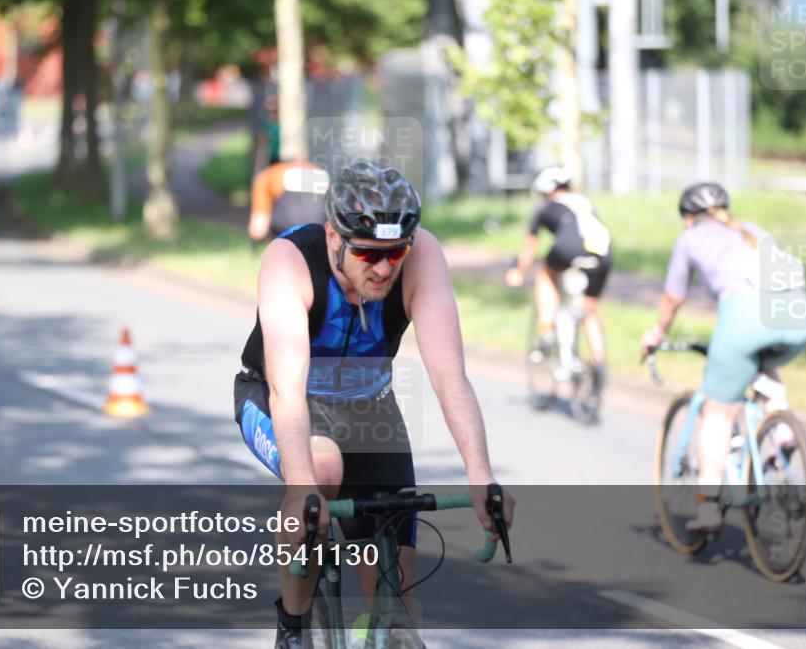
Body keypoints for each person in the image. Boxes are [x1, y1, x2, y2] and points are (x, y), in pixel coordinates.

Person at [233, 161, 515, 648]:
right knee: (320, 475)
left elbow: (450, 376)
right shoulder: (289, 261)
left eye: (395, 252)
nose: (384, 268)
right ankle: (292, 628)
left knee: (395, 588)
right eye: (367, 254)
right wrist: (302, 492)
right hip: (282, 396)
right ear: (332, 237)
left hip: (368, 408)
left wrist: (481, 476)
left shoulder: (423, 255)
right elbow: (287, 391)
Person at [640, 182, 806, 532]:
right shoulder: (753, 231)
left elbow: (674, 297)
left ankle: (708, 510)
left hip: (745, 318)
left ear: (689, 218)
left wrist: (657, 333)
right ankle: (779, 426)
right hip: (798, 315)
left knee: (716, 414)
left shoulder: (690, 238)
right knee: (761, 362)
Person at [505, 166, 612, 394]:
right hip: (603, 255)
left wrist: (519, 273)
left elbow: (530, 248)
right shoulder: (585, 203)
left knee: (545, 274)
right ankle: (599, 363)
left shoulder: (545, 207)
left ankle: (546, 332)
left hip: (568, 250)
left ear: (545, 192)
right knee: (589, 310)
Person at [248, 159, 330, 242]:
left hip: (283, 239)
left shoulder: (270, 175)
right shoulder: (322, 174)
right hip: (319, 240)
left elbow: (259, 229)